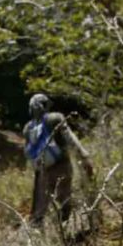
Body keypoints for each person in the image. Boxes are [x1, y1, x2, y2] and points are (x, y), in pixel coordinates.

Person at [23, 94, 94, 227]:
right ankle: (65, 232)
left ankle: (37, 237)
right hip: (62, 166)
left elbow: (27, 153)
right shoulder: (55, 118)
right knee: (65, 201)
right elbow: (70, 138)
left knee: (39, 209)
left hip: (42, 171)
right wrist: (84, 156)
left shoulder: (28, 128)